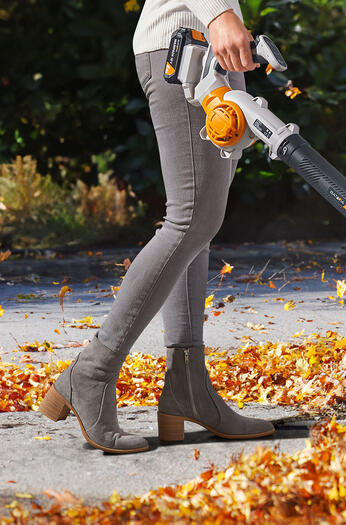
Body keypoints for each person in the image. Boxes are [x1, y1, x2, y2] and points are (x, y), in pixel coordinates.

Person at [37, 0, 274, 453]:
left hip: (209, 46)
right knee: (191, 218)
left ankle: (187, 387)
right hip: (186, 43)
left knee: (199, 224)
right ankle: (92, 372)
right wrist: (220, 12)